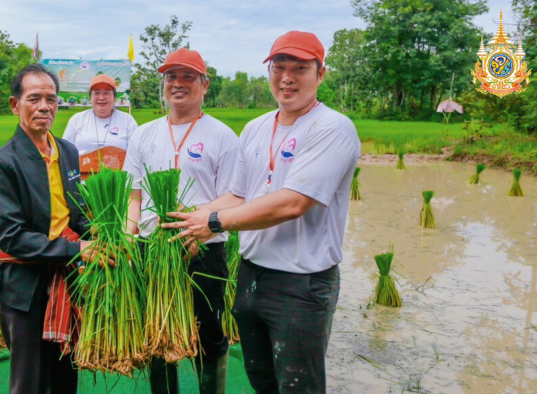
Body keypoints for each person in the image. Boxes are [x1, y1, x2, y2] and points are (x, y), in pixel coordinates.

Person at [161, 31, 361, 393]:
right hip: (253, 277)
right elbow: (238, 195)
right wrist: (190, 219)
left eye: (300, 68)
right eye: (279, 67)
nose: (287, 77)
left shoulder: (332, 128)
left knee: (298, 386)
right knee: (262, 382)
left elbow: (293, 202)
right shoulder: (255, 128)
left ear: (321, 74)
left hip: (302, 285)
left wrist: (213, 222)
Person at [0, 64, 111, 394]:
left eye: (51, 99)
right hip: (25, 287)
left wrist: (101, 234)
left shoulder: (66, 151)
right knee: (31, 381)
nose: (44, 107)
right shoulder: (1, 164)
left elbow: (76, 214)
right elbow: (11, 236)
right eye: (34, 98)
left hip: (68, 278)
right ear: (15, 105)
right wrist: (76, 249)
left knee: (66, 374)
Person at [122, 48, 239, 394]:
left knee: (210, 338)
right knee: (157, 335)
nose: (177, 83)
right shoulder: (143, 134)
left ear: (205, 84)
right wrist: (129, 235)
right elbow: (134, 196)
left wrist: (198, 224)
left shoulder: (222, 137)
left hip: (202, 252)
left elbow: (235, 196)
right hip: (151, 249)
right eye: (171, 77)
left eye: (188, 76)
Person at [62, 74, 138, 155]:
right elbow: (65, 151)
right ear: (90, 98)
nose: (101, 97)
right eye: (97, 93)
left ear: (115, 97)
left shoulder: (127, 120)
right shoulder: (77, 119)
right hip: (81, 167)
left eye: (106, 93)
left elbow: (136, 153)